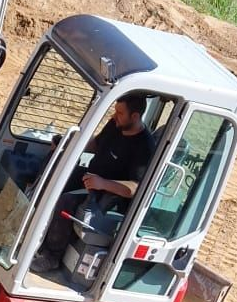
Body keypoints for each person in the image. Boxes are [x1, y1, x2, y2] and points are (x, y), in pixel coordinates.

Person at [31, 92, 155, 274]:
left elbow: (134, 188)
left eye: (120, 113)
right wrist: (67, 146)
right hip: (92, 177)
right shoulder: (116, 124)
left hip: (108, 195)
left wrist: (102, 183)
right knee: (56, 167)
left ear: (135, 116)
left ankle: (52, 256)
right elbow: (95, 145)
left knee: (66, 200)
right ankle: (30, 224)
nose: (114, 116)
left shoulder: (144, 146)